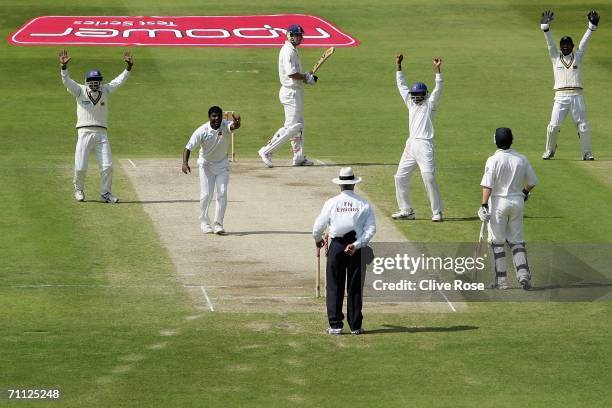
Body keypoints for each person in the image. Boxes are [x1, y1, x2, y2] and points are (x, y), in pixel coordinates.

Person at [59, 49, 133, 203]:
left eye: (97, 81)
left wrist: (128, 68)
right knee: (80, 167)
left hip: (102, 133)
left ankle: (105, 193)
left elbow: (118, 81)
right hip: (84, 132)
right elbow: (66, 81)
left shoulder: (105, 90)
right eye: (92, 81)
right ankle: (78, 189)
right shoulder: (79, 90)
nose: (95, 84)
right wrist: (64, 67)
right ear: (87, 81)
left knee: (107, 166)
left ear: (100, 81)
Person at [312, 167, 376, 335]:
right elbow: (371, 229)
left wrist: (318, 240)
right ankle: (355, 326)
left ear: (340, 185)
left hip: (337, 247)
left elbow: (317, 228)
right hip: (356, 248)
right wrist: (357, 244)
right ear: (354, 184)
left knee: (334, 286)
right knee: (355, 287)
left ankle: (335, 325)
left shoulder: (331, 202)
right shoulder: (363, 203)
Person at [478, 128, 538, 291]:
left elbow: (488, 185)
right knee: (517, 241)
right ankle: (524, 276)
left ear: (495, 141)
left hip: (498, 204)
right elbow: (532, 181)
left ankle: (501, 281)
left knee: (497, 243)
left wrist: (484, 205)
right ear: (512, 140)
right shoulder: (521, 159)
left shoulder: (493, 160)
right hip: (517, 203)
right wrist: (524, 193)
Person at [540, 9, 600, 161]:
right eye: (563, 45)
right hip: (560, 97)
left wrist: (591, 27)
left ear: (572, 46)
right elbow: (549, 44)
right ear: (560, 46)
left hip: (576, 96)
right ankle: (549, 151)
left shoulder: (578, 57)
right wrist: (545, 28)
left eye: (568, 44)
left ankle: (587, 153)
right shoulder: (555, 57)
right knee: (553, 126)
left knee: (583, 126)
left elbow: (584, 44)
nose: (565, 47)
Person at [392, 55, 445, 222]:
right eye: (414, 94)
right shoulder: (410, 103)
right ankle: (406, 210)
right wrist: (398, 66)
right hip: (411, 145)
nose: (415, 96)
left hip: (425, 145)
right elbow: (401, 85)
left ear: (424, 94)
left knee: (428, 177)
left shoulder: (430, 104)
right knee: (400, 177)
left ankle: (437, 212)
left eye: (419, 94)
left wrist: (437, 70)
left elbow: (438, 88)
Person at [257, 24, 317, 168]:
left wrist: (307, 79)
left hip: (295, 91)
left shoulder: (293, 50)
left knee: (299, 125)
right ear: (290, 35)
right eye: (297, 35)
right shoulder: (288, 51)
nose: (300, 37)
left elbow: (296, 75)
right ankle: (266, 151)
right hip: (290, 93)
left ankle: (298, 157)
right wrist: (306, 78)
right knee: (293, 126)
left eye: (301, 35)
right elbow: (291, 74)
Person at [182, 106, 241, 235]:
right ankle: (204, 222)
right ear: (209, 117)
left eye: (218, 116)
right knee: (206, 194)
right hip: (206, 165)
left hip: (222, 165)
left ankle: (218, 224)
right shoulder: (202, 131)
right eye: (214, 116)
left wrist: (237, 123)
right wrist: (185, 163)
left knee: (222, 192)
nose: (216, 118)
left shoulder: (225, 125)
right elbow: (188, 147)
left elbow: (233, 127)